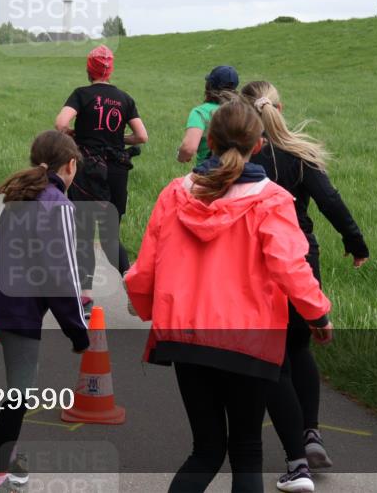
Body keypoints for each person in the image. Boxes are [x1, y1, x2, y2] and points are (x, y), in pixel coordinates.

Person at [125, 98, 333, 493]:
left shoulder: (175, 193)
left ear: (209, 140)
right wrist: (317, 314)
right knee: (246, 452)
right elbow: (290, 265)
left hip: (184, 336)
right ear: (259, 145)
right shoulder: (271, 199)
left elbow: (147, 266)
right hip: (249, 340)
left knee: (205, 451)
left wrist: (145, 306)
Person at [241, 81, 369, 486]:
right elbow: (330, 200)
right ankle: (311, 432)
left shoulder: (242, 156)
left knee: (273, 357)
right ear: (280, 106)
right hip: (301, 256)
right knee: (299, 347)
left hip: (255, 259)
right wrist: (355, 241)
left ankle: (292, 455)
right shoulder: (300, 154)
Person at [0, 130, 89, 493]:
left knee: (20, 389)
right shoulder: (60, 206)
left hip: (2, 303)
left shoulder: (19, 198)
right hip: (19, 312)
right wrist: (78, 331)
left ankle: (12, 461)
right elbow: (64, 276)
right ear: (70, 166)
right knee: (19, 394)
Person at [54, 45, 147, 319]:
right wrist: (121, 139)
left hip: (87, 169)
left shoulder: (82, 94)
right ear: (111, 69)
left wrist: (74, 133)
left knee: (83, 235)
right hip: (117, 170)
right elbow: (142, 136)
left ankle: (84, 301)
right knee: (109, 235)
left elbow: (60, 123)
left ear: (89, 69)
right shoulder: (124, 98)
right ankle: (131, 281)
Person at [177, 65, 240, 165]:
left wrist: (181, 156)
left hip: (208, 173)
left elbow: (188, 148)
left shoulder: (200, 112)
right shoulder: (244, 111)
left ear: (209, 85)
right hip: (239, 171)